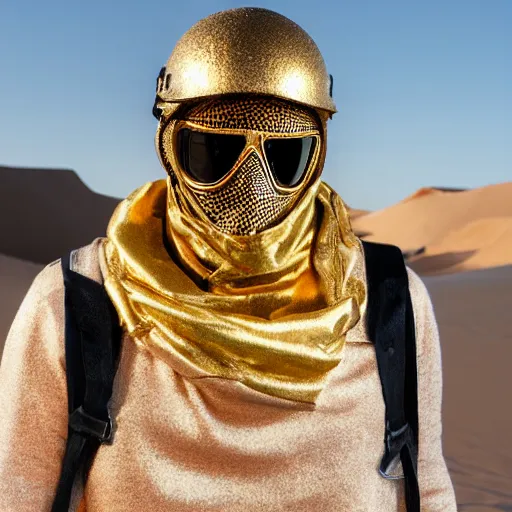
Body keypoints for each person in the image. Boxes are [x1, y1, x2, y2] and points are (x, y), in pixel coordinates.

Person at [0, 7, 457, 511]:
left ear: (318, 154)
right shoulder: (74, 301)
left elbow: (425, 483)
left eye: (284, 157)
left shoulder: (393, 303)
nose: (250, 186)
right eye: (214, 151)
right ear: (168, 146)